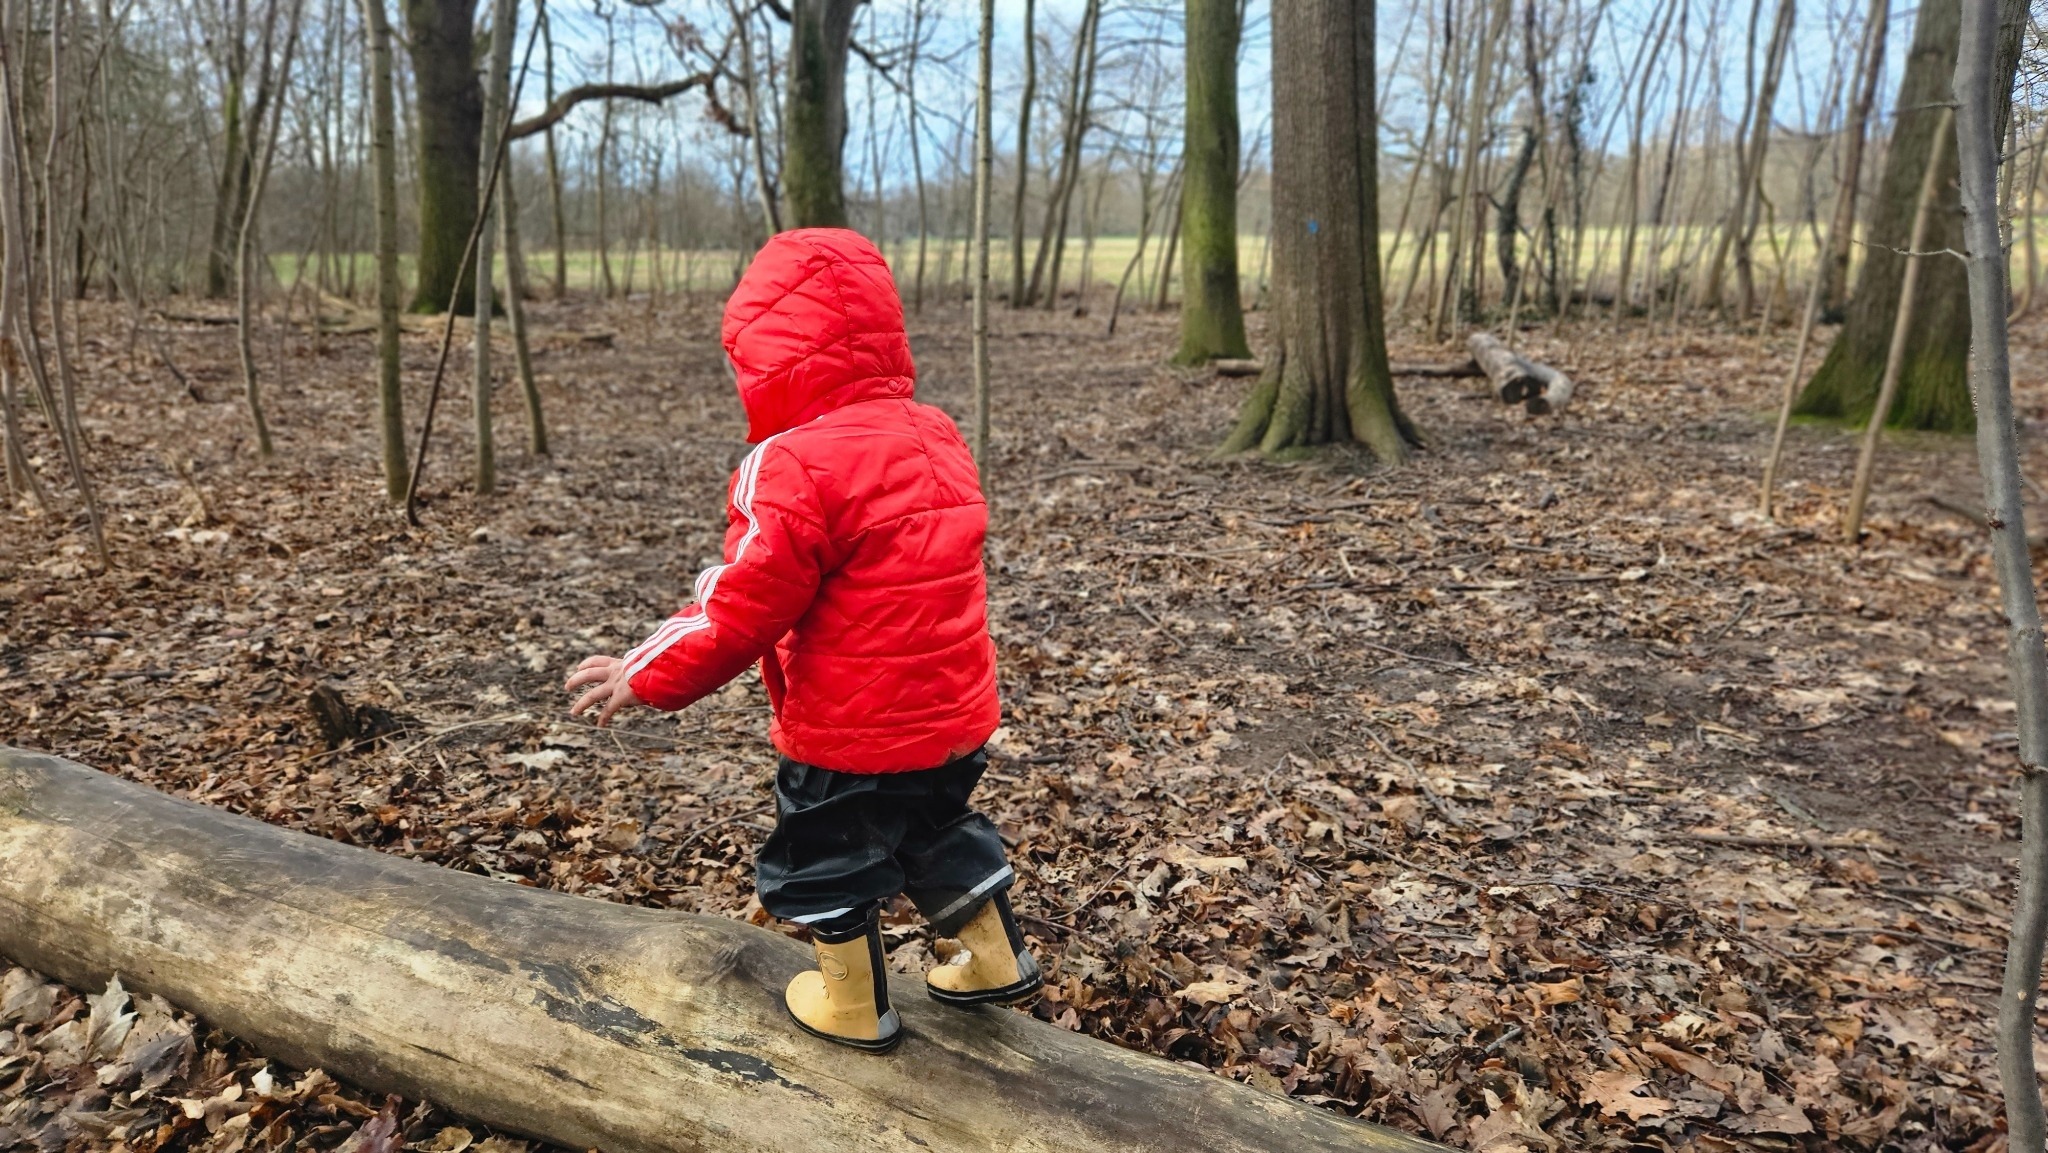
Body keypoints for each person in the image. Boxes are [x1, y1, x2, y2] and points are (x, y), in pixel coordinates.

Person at [563, 228, 1039, 1053]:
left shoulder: (788, 464)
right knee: (931, 826)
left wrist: (644, 671)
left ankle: (852, 1005)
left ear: (771, 357)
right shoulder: (935, 433)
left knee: (826, 852)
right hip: (953, 717)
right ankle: (994, 956)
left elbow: (742, 603)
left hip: (849, 732)